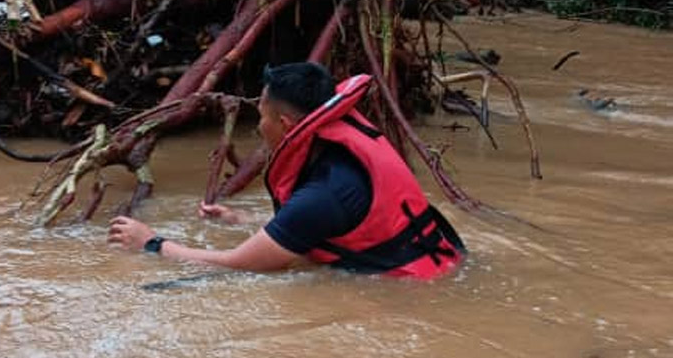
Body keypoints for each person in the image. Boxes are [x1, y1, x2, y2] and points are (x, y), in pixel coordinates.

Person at [108, 62, 466, 277]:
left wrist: (152, 243)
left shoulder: (324, 193)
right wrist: (239, 221)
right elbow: (326, 227)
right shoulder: (335, 154)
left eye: (261, 116)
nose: (257, 126)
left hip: (405, 288)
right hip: (439, 263)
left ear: (284, 123)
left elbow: (235, 264)